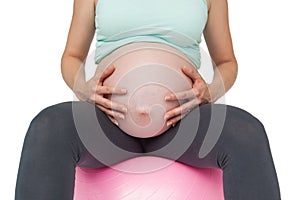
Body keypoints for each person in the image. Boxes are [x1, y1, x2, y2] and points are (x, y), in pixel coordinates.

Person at [14, 0, 281, 199]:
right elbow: (71, 56)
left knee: (248, 131)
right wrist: (84, 88)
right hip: (107, 122)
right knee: (48, 126)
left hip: (183, 123)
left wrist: (209, 90)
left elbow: (226, 62)